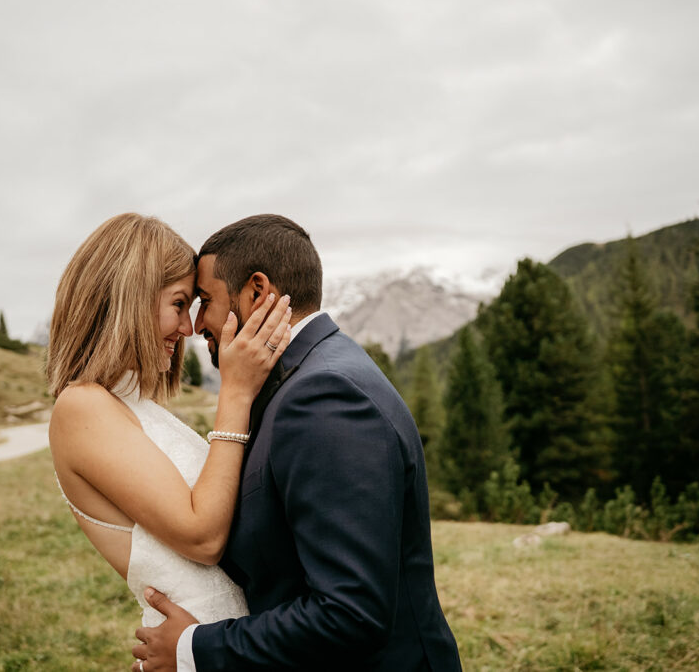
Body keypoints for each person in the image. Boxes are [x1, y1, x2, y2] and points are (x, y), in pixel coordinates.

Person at [132, 215, 462, 671]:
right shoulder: (304, 378)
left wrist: (193, 649)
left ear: (257, 291)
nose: (197, 323)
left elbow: (351, 614)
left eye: (205, 300)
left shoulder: (325, 396)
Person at [46, 213, 292, 628]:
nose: (187, 327)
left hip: (221, 643)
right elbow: (203, 537)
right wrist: (234, 392)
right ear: (131, 298)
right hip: (195, 646)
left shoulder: (134, 407)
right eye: (179, 304)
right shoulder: (82, 407)